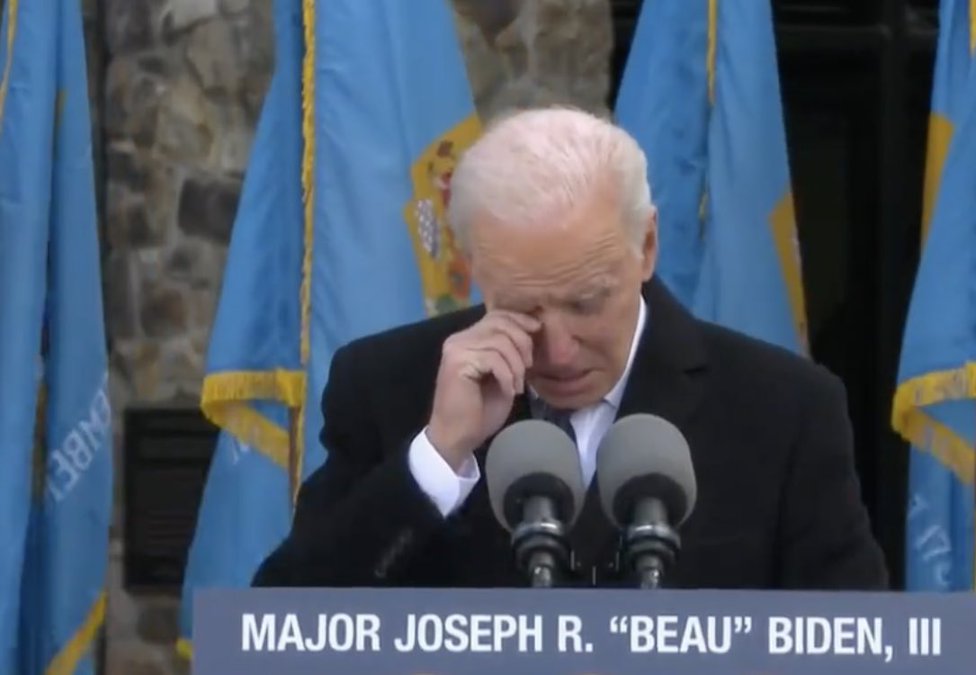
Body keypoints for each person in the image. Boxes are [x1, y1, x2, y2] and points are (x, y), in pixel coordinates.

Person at [252, 107, 887, 590]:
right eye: (522, 309)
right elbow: (286, 628)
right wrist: (438, 457)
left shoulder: (786, 409)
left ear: (645, 248)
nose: (556, 350)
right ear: (474, 268)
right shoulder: (385, 384)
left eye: (586, 303)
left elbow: (854, 645)